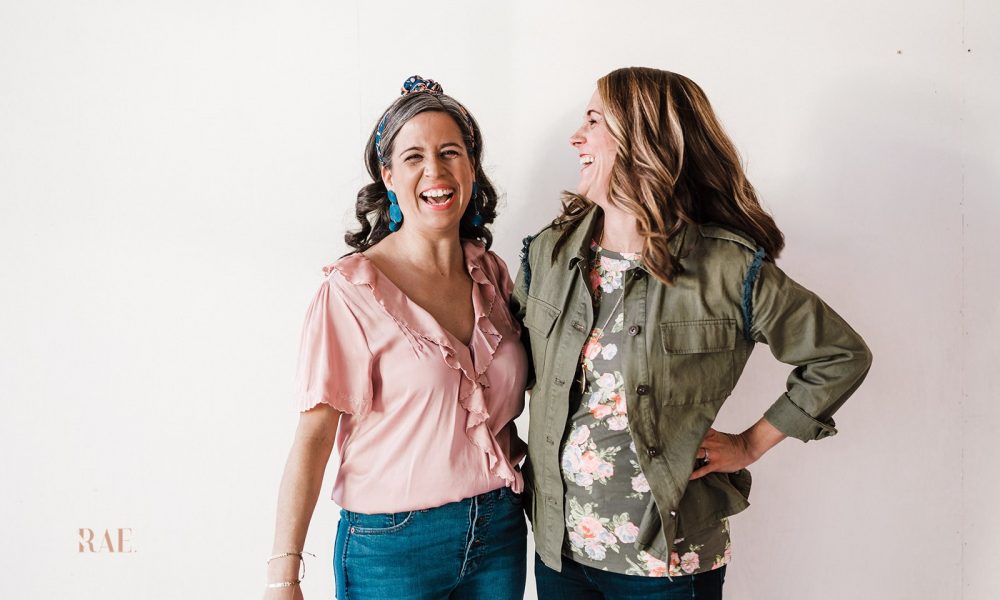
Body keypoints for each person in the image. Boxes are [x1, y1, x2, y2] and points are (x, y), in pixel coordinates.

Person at [511, 67, 873, 599]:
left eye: (593, 121)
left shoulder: (728, 269)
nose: (576, 137)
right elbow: (502, 367)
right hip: (558, 549)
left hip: (668, 563)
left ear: (644, 140)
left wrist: (750, 444)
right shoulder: (549, 252)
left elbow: (840, 355)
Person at [263, 76, 528, 600]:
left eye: (450, 152)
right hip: (392, 546)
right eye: (414, 157)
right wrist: (282, 575)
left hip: (499, 530)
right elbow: (314, 437)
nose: (436, 171)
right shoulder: (351, 291)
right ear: (388, 176)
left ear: (471, 167)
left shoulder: (492, 273)